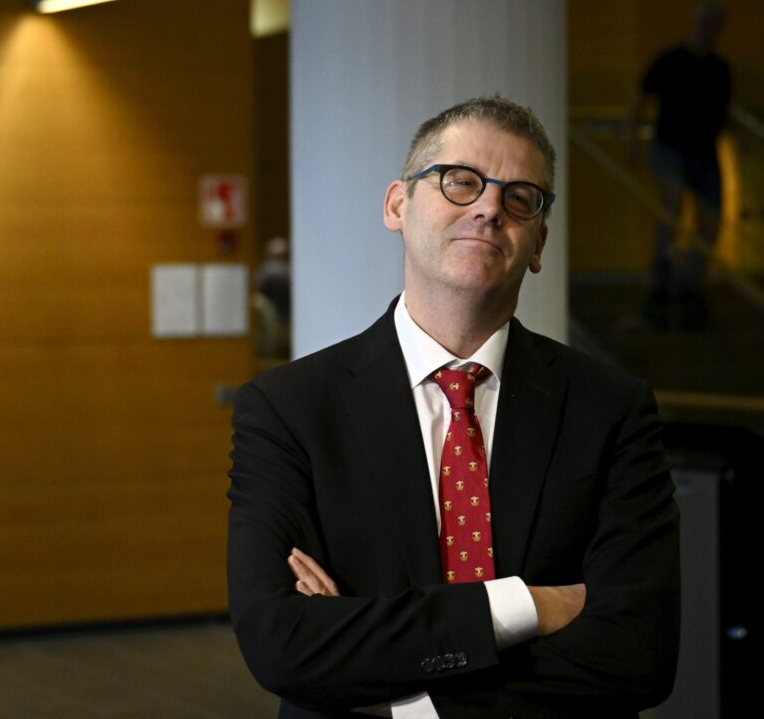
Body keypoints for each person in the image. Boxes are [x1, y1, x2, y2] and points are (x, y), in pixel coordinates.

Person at [227, 96, 680, 718]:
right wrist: (531, 606)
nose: (490, 208)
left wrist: (394, 687)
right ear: (398, 205)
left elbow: (638, 653)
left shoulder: (610, 409)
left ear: (539, 243)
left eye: (520, 198)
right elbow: (281, 644)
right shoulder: (288, 409)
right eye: (461, 182)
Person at [628, 1, 732, 313]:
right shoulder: (670, 60)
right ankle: (661, 275)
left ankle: (690, 281)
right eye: (704, 22)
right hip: (670, 147)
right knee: (671, 210)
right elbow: (640, 101)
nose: (707, 29)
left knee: (710, 220)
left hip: (704, 151)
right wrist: (633, 142)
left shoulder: (719, 68)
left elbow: (723, 111)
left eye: (713, 24)